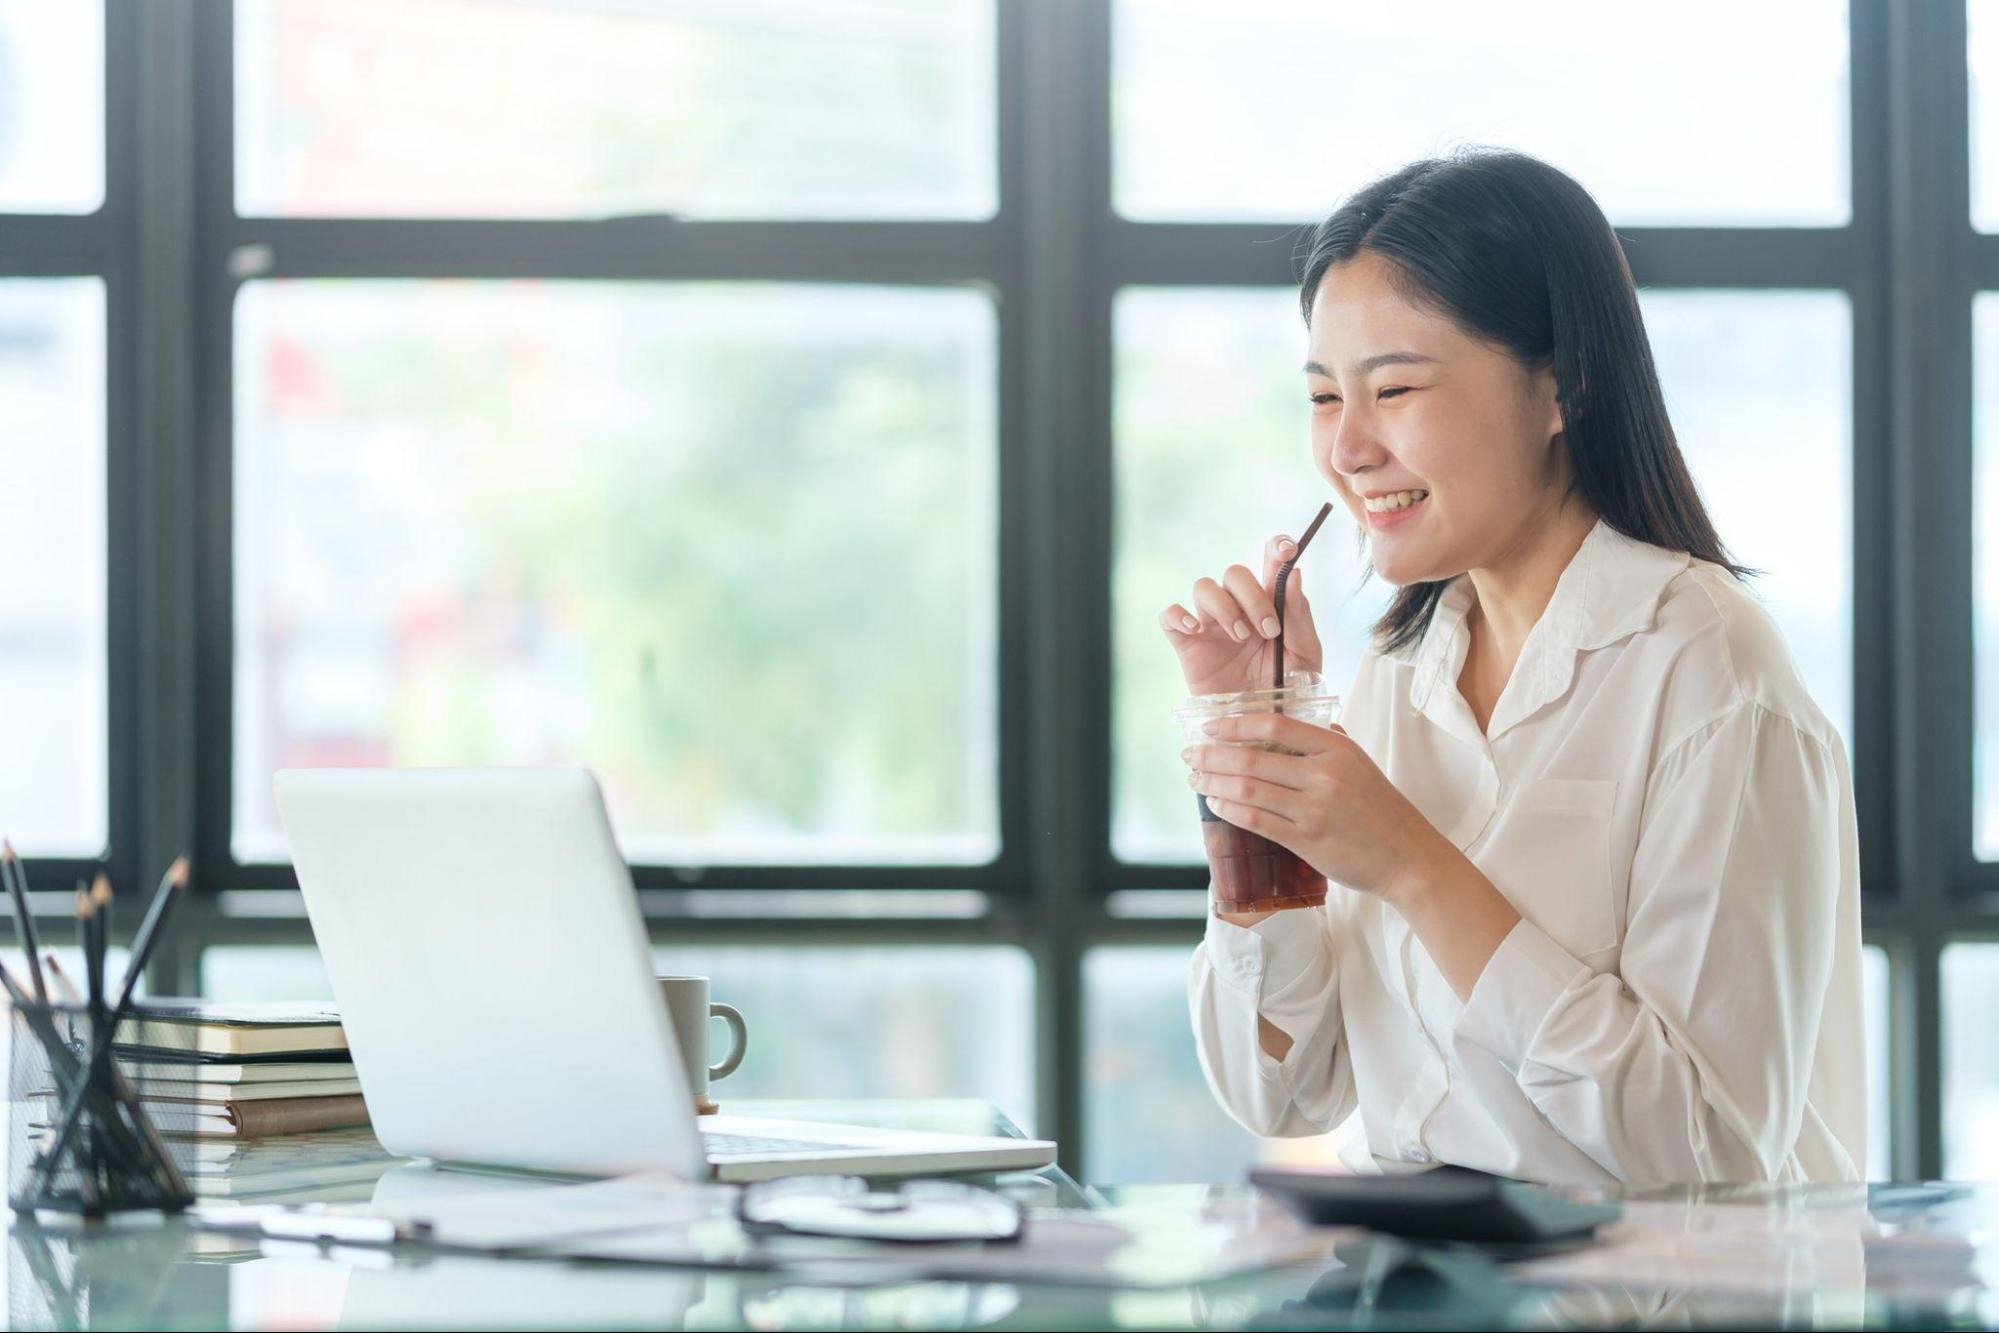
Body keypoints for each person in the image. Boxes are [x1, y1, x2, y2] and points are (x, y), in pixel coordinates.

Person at [1165, 147, 1863, 1184]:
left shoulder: (1712, 671)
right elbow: (1285, 1090)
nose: (1346, 447)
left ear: (1561, 388)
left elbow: (1705, 1149)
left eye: (1393, 386)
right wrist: (1257, 765)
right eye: (1322, 397)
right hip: (1422, 1284)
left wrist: (1410, 860)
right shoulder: (1400, 675)